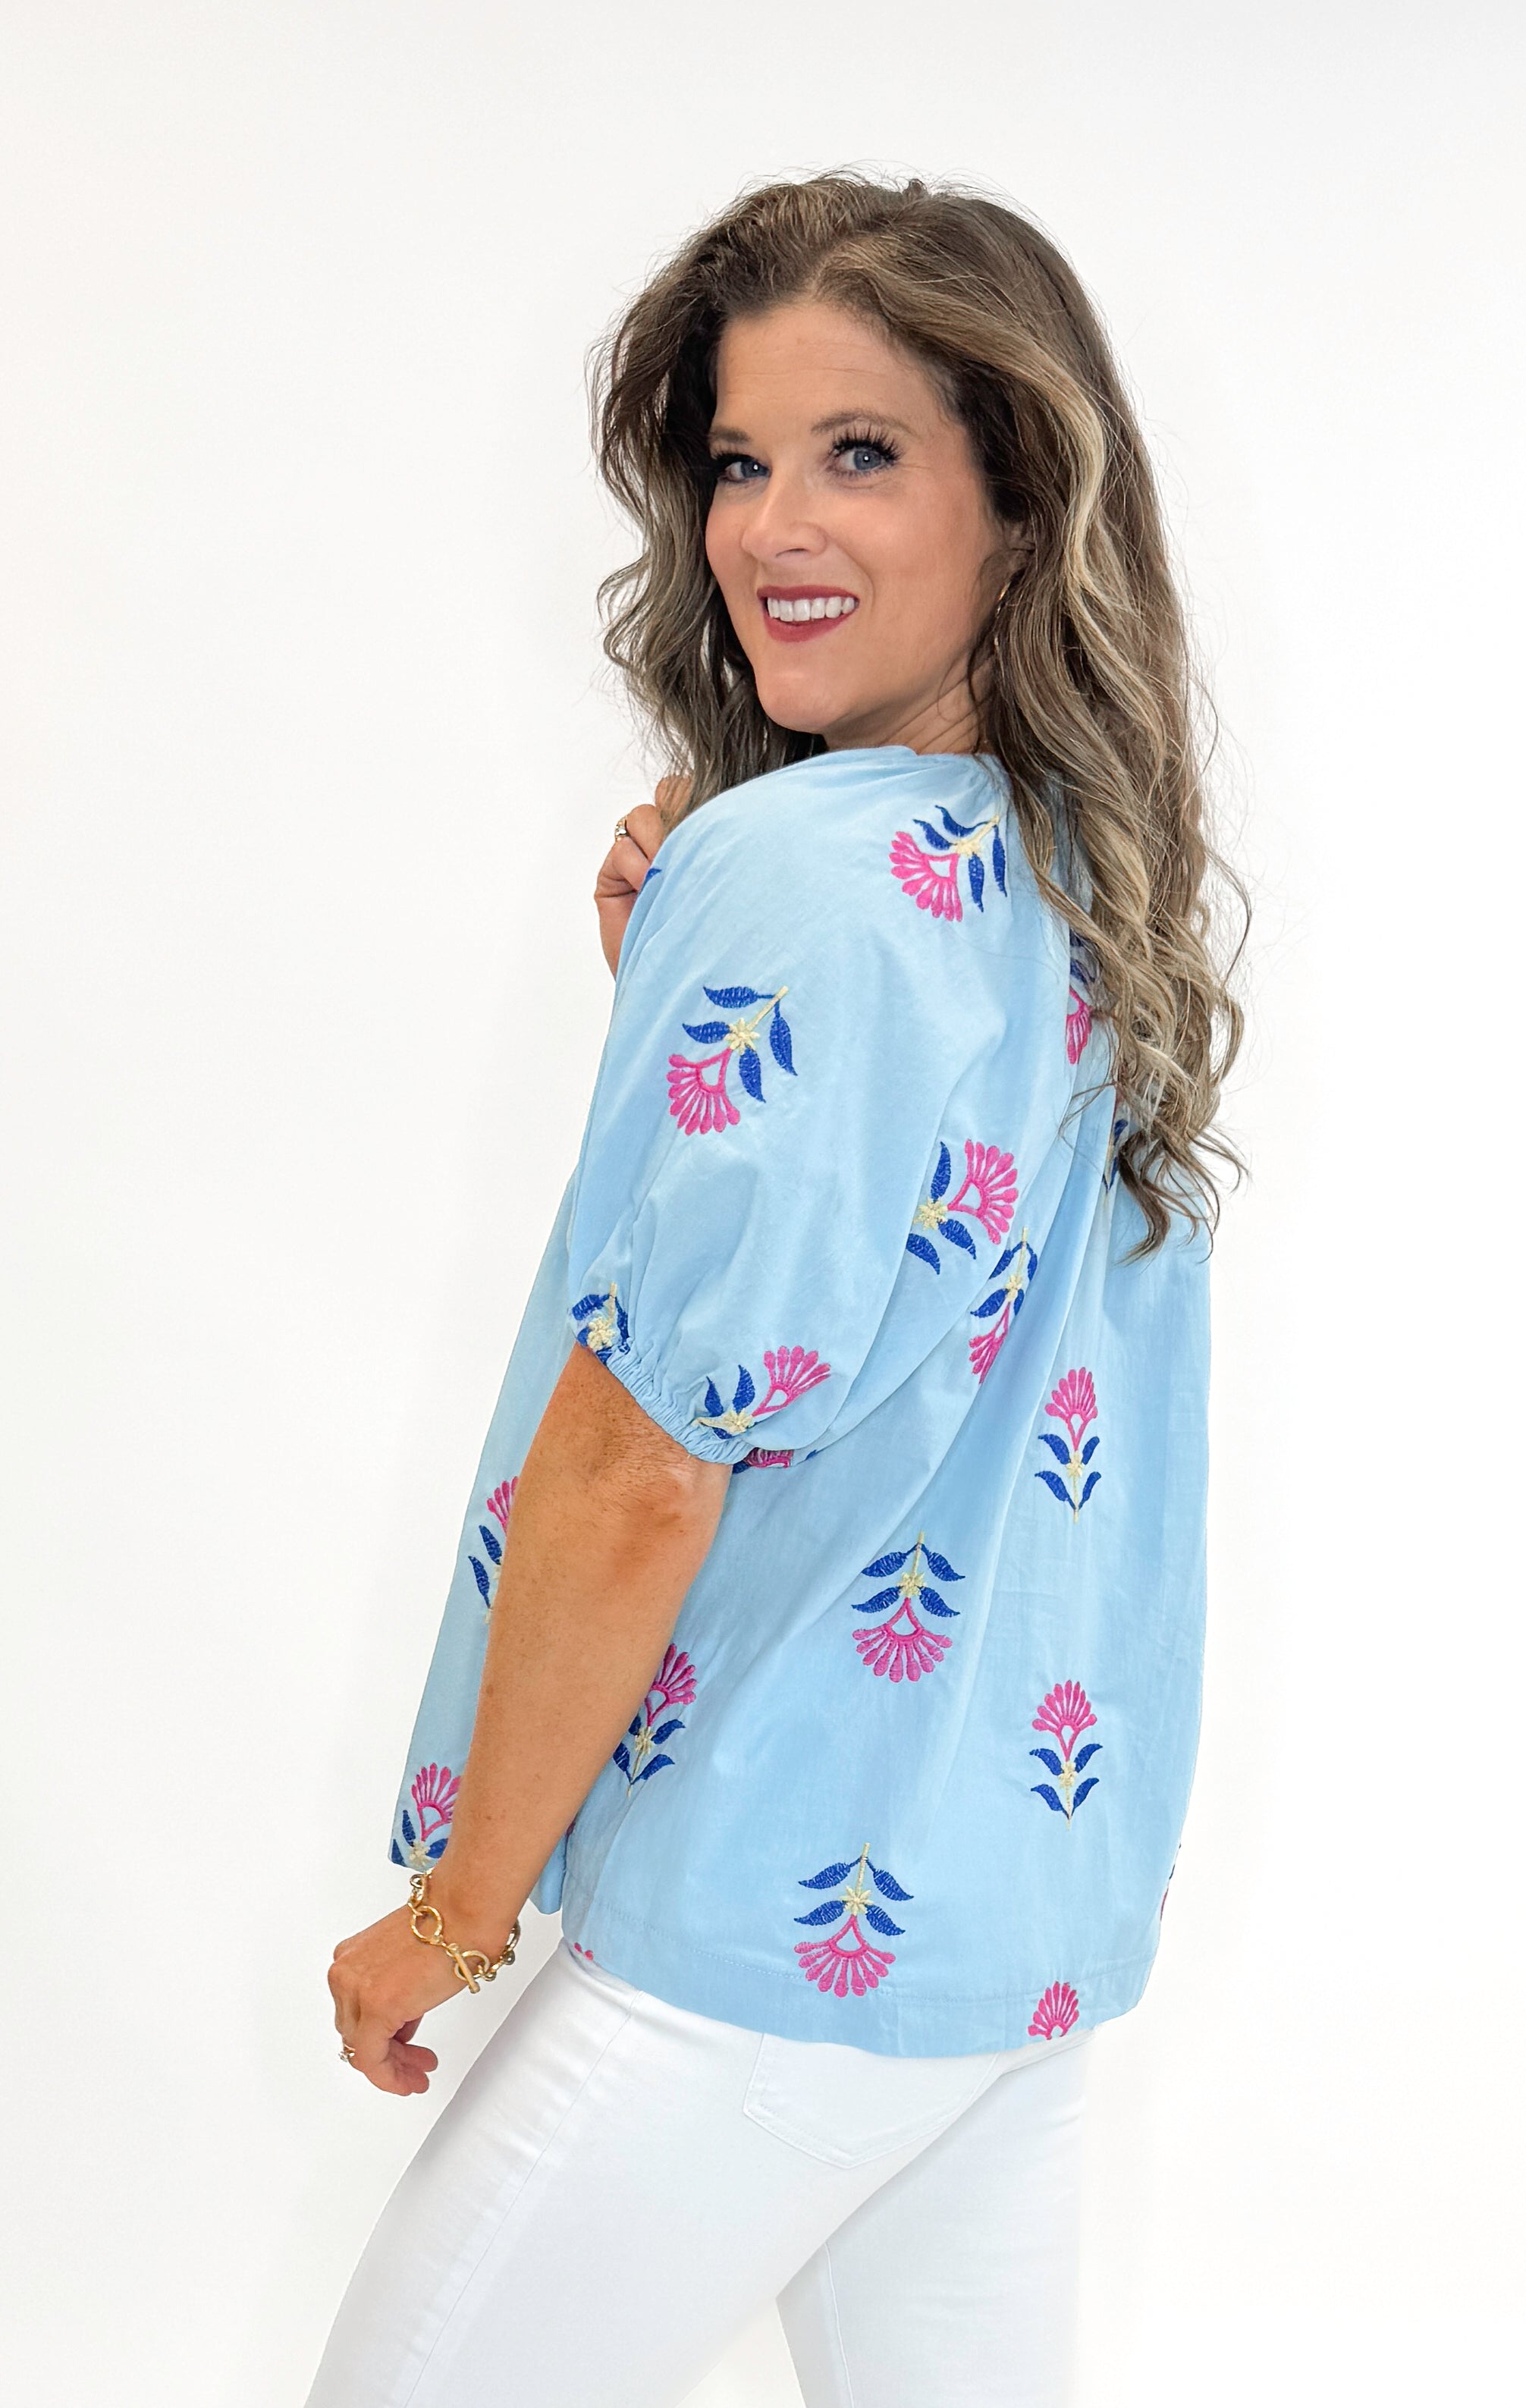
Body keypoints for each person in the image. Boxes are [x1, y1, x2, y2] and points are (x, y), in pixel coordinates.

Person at [309, 171, 1246, 2408]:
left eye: (862, 453)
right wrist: (687, 996)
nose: (767, 526)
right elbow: (921, 1315)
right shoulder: (1077, 872)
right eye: (740, 459)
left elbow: (644, 1468)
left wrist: (456, 1912)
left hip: (750, 1941)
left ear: (1022, 509)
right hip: (1001, 1930)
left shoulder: (799, 881)